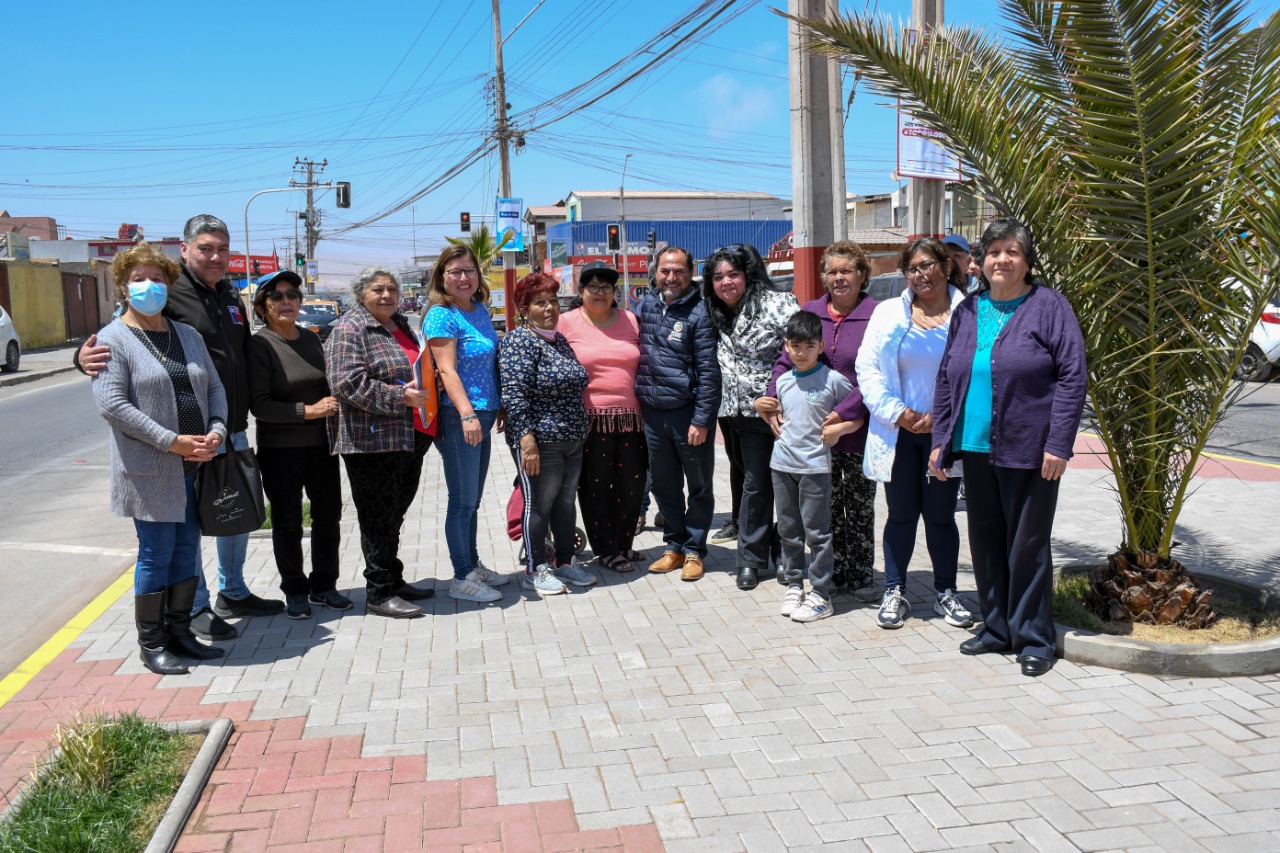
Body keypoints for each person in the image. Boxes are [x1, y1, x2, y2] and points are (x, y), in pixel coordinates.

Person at [77, 214, 282, 641]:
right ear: (185, 251)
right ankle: (195, 610)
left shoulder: (229, 293)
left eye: (222, 249)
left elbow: (234, 360)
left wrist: (223, 425)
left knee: (231, 515)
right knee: (169, 544)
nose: (215, 257)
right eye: (205, 248)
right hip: (170, 449)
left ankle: (232, 593)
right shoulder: (167, 293)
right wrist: (79, 359)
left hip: (222, 431)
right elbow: (115, 353)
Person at [929, 218, 1088, 677]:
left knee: (1027, 546)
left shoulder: (1049, 307)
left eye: (1012, 252)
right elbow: (946, 379)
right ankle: (997, 627)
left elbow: (1073, 377)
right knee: (986, 541)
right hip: (975, 446)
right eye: (994, 252)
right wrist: (941, 440)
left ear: (1027, 261)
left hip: (1031, 449)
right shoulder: (967, 310)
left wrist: (1059, 443)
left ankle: (1034, 638)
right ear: (980, 262)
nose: (1002, 260)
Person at [92, 243, 227, 675]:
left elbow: (214, 388)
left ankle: (181, 633)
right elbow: (113, 405)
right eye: (138, 279)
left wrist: (217, 430)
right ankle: (152, 644)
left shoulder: (187, 335)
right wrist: (172, 441)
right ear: (122, 287)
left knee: (186, 550)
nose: (148, 286)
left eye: (157, 278)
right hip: (150, 469)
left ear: (168, 286)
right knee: (156, 553)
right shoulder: (112, 340)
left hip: (193, 465)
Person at [856, 237, 973, 631]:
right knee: (901, 515)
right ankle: (894, 590)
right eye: (912, 268)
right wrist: (897, 412)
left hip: (945, 433)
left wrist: (942, 418)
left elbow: (976, 372)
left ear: (946, 265)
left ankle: (946, 592)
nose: (921, 274)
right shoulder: (888, 312)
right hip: (900, 431)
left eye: (927, 265)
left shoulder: (968, 313)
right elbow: (867, 368)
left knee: (941, 516)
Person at [760, 241, 877, 598]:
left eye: (847, 271)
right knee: (824, 509)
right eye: (832, 271)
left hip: (856, 429)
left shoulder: (876, 314)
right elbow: (785, 362)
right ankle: (830, 573)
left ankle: (860, 575)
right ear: (824, 276)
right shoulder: (811, 311)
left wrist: (845, 414)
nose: (839, 278)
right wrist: (772, 401)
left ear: (862, 274)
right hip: (812, 438)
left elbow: (878, 373)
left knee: (858, 505)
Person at [326, 267, 438, 618]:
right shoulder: (349, 329)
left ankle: (393, 577)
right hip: (371, 441)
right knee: (377, 518)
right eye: (378, 289)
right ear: (361, 294)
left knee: (394, 513)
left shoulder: (400, 323)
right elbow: (346, 383)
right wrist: (399, 397)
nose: (387, 295)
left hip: (409, 435)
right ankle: (378, 592)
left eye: (392, 289)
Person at [247, 270, 347, 620]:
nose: (286, 301)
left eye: (292, 294)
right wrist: (309, 411)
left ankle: (324, 585)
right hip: (280, 450)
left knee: (328, 517)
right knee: (287, 521)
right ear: (262, 307)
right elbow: (259, 405)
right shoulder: (260, 345)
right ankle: (295, 590)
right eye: (276, 296)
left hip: (321, 446)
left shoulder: (310, 339)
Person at [701, 245, 797, 590]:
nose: (726, 282)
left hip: (777, 411)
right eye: (718, 277)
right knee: (753, 485)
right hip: (735, 414)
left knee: (783, 484)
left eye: (733, 274)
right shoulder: (713, 310)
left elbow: (797, 351)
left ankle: (782, 551)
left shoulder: (778, 303)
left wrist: (773, 394)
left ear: (748, 275)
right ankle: (753, 557)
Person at [499, 272, 596, 595]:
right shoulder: (518, 342)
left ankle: (565, 562)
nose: (549, 308)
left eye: (553, 301)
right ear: (524, 309)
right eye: (539, 302)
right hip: (541, 443)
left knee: (565, 504)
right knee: (539, 506)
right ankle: (536, 568)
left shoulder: (559, 340)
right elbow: (514, 394)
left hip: (572, 439)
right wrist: (526, 441)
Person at [423, 245, 508, 603]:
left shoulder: (479, 309)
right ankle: (461, 578)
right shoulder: (441, 315)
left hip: (484, 414)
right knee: (461, 501)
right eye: (455, 271)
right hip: (461, 417)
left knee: (473, 499)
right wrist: (467, 414)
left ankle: (472, 565)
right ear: (442, 277)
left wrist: (499, 405)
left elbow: (490, 362)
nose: (463, 277)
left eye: (469, 270)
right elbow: (446, 370)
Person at [763, 311, 858, 623]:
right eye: (795, 346)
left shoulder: (833, 380)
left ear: (821, 347)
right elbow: (773, 413)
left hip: (815, 468)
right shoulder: (782, 381)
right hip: (781, 466)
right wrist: (760, 407)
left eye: (808, 346)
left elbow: (857, 414)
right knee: (789, 530)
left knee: (817, 532)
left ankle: (820, 593)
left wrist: (840, 430)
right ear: (786, 346)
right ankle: (794, 584)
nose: (801, 353)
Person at [635, 246, 722, 582]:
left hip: (688, 415)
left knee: (699, 486)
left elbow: (709, 373)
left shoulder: (701, 312)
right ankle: (673, 545)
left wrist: (702, 420)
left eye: (679, 271)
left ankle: (695, 550)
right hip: (653, 415)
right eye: (665, 271)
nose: (671, 277)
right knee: (664, 485)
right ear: (656, 272)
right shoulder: (645, 306)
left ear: (690, 273)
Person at [558, 261, 648, 573]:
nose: (600, 292)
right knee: (595, 486)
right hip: (589, 420)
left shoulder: (631, 320)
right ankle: (607, 549)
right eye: (593, 286)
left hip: (633, 419)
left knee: (632, 485)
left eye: (607, 287)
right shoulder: (565, 323)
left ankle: (624, 544)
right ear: (581, 291)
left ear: (614, 292)